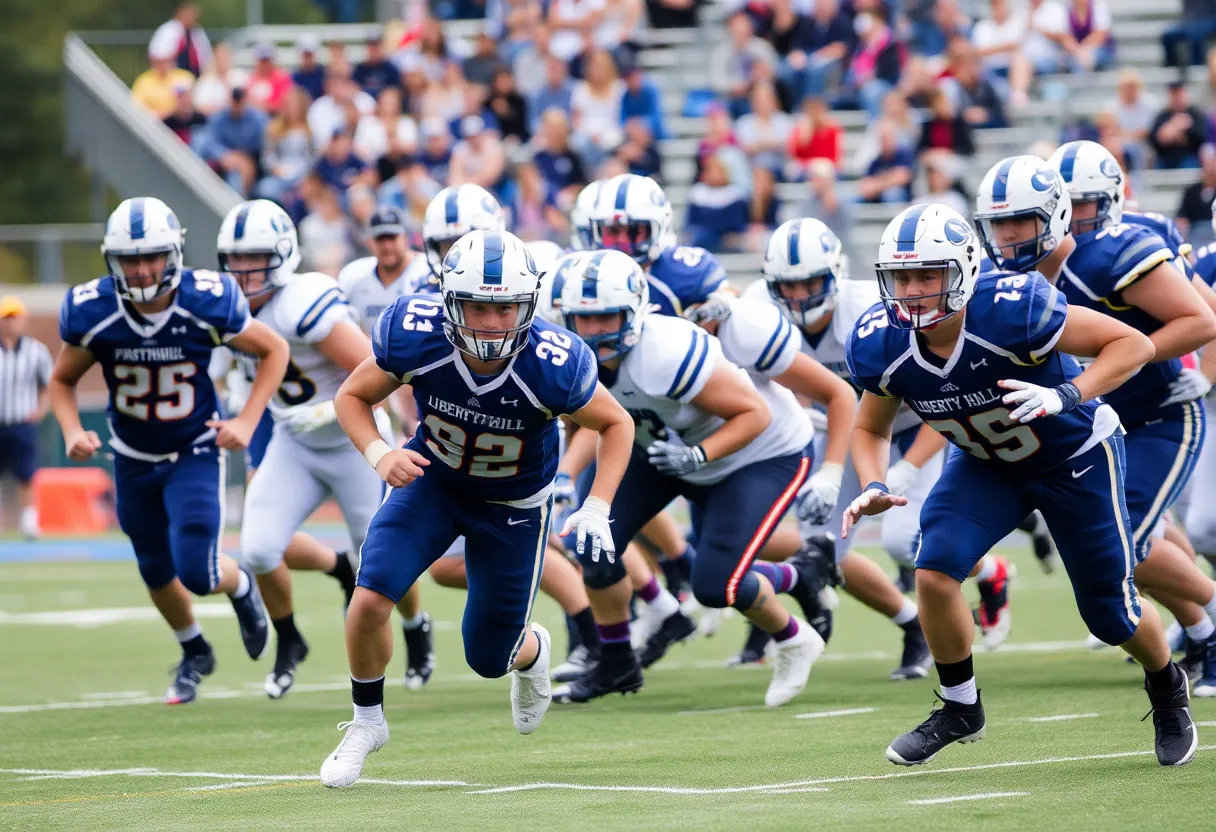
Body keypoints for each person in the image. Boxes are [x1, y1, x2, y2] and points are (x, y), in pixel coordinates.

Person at [844, 201, 1196, 767]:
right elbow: (868, 426)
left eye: (927, 275)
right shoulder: (880, 340)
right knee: (933, 568)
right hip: (987, 463)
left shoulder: (1013, 309)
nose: (911, 290)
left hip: (1074, 454)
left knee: (1110, 614)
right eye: (901, 277)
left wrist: (1067, 393)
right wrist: (872, 480)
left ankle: (1166, 686)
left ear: (962, 271)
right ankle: (961, 707)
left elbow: (1133, 343)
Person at [319, 229, 634, 787]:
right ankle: (367, 721)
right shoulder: (415, 336)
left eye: (506, 307)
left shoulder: (551, 363)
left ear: (528, 304)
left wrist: (597, 503)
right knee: (370, 594)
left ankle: (532, 650)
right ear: (449, 301)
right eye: (477, 306)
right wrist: (379, 453)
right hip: (431, 482)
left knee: (488, 657)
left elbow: (615, 422)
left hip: (513, 505)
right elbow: (351, 395)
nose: (491, 322)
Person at [558, 248, 826, 705]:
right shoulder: (569, 353)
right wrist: (566, 475)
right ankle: (617, 662)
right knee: (592, 543)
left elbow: (753, 413)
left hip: (756, 453)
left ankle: (794, 633)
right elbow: (588, 418)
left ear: (635, 312)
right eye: (584, 319)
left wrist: (698, 455)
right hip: (663, 447)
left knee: (716, 584)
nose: (594, 331)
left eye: (607, 317)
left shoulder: (663, 352)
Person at [49, 197, 284, 705]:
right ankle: (194, 649)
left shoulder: (206, 300)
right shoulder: (93, 309)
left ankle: (241, 586)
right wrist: (71, 430)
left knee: (197, 572)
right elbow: (62, 381)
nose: (140, 269)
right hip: (131, 455)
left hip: (193, 449)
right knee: (154, 568)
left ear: (173, 252)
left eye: (151, 256)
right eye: (129, 259)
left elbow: (274, 351)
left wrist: (246, 419)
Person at [1037, 144, 1216, 693]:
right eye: (1065, 204)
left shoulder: (1125, 244)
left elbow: (1204, 312)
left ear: (1111, 199)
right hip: (1102, 421)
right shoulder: (1032, 257)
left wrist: (1190, 368)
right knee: (1150, 535)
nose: (1077, 215)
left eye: (1085, 203)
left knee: (1125, 542)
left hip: (1159, 414)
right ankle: (1201, 631)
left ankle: (1209, 624)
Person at [741, 217, 951, 672]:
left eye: (810, 283)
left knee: (906, 542)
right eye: (788, 286)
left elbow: (945, 390)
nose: (798, 297)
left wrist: (909, 467)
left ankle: (988, 575)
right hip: (845, 431)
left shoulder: (872, 309)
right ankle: (912, 625)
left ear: (835, 273)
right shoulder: (758, 309)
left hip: (919, 421)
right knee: (825, 549)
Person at [216, 199, 387, 700]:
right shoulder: (223, 305)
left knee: (375, 558)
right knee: (260, 547)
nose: (245, 270)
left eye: (256, 257)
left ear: (284, 255)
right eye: (236, 258)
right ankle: (289, 639)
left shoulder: (302, 299)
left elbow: (377, 369)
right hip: (294, 442)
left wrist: (335, 408)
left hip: (354, 443)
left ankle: (408, 640)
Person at [0, 296, 52, 538]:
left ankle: (28, 522)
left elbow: (50, 386)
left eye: (15, 318)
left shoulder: (36, 351)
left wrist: (40, 411)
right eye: (6, 319)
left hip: (22, 423)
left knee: (26, 475)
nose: (11, 324)